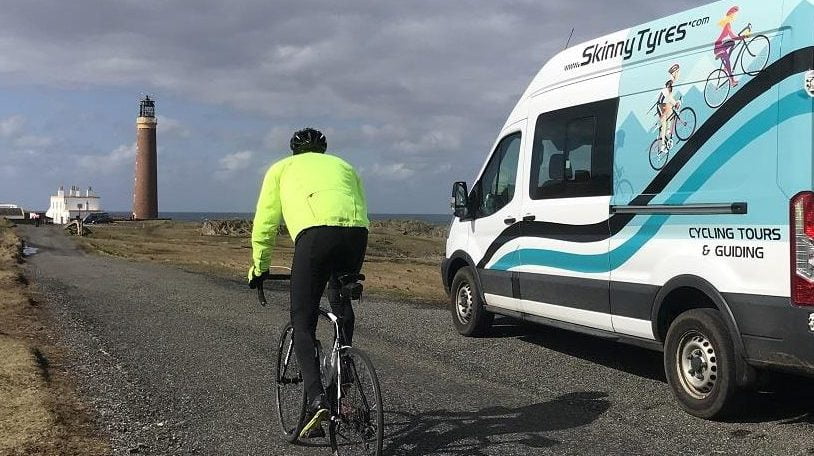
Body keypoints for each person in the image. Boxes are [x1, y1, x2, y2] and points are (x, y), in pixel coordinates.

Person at [248, 127, 369, 438]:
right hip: (356, 235)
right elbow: (359, 206)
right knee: (341, 303)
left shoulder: (280, 169)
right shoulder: (345, 166)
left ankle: (317, 401)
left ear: (294, 152)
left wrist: (259, 268)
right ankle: (343, 375)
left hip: (315, 237)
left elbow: (265, 223)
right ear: (323, 151)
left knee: (302, 322)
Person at [714, 6, 746, 87]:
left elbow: (733, 37)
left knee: (732, 43)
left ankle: (725, 64)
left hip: (721, 46)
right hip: (719, 46)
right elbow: (732, 37)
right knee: (728, 62)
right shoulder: (727, 24)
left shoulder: (729, 25)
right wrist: (741, 37)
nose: (735, 16)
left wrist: (742, 37)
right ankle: (732, 81)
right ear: (730, 14)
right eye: (734, 14)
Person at [657, 64, 681, 152]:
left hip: (664, 103)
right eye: (678, 72)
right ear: (674, 73)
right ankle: (662, 145)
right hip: (660, 104)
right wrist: (676, 103)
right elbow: (669, 97)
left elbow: (669, 98)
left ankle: (668, 131)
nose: (679, 75)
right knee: (664, 123)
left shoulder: (671, 82)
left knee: (671, 111)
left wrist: (675, 103)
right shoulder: (670, 82)